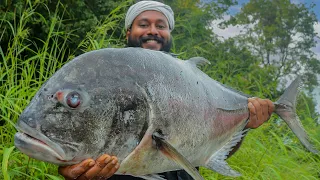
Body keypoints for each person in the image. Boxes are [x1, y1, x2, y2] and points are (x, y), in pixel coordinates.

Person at [59, 1, 274, 179]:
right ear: (128, 33)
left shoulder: (193, 83)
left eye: (161, 26)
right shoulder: (103, 76)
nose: (153, 31)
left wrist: (245, 124)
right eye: (143, 24)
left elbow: (207, 150)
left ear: (169, 34)